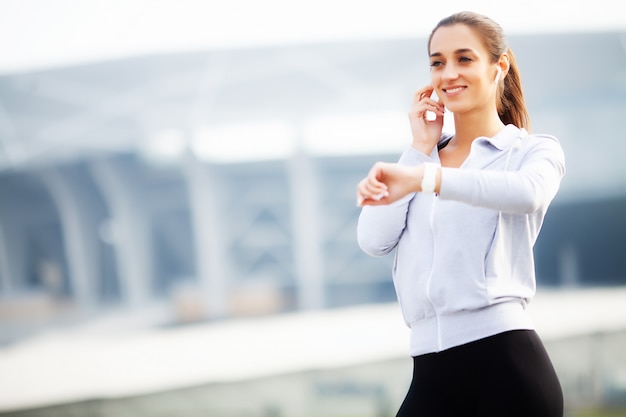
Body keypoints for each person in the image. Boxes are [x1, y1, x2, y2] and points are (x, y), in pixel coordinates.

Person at [356, 11, 565, 417]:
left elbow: (526, 194)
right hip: (430, 369)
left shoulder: (531, 152)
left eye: (464, 58)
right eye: (438, 62)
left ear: (498, 66)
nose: (448, 73)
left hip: (506, 367)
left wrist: (425, 178)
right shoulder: (421, 162)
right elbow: (373, 240)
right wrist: (419, 148)